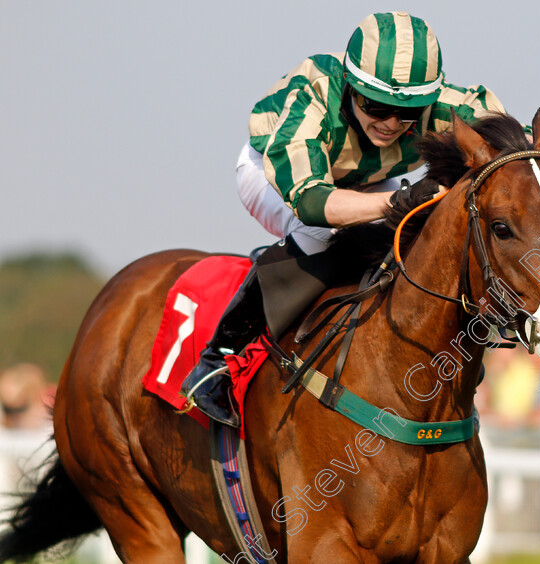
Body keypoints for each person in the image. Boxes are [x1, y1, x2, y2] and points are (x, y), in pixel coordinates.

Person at [181, 12, 512, 427]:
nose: (390, 123)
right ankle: (218, 359)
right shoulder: (315, 91)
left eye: (406, 111)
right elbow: (314, 202)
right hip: (274, 175)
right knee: (324, 231)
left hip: (365, 180)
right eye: (375, 106)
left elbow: (514, 154)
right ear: (352, 86)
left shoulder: (452, 105)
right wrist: (397, 201)